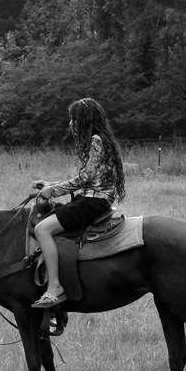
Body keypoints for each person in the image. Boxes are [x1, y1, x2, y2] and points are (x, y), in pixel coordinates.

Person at [30, 98, 126, 333]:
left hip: (94, 203)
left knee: (42, 229)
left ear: (84, 120)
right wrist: (51, 184)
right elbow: (87, 180)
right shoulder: (99, 141)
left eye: (73, 118)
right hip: (90, 198)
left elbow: (84, 180)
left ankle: (55, 288)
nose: (70, 123)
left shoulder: (95, 141)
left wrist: (53, 190)